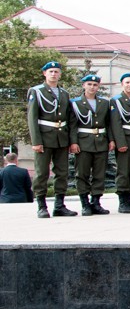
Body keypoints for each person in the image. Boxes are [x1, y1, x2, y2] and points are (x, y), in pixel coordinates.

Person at [27, 62, 77, 218]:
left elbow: (70, 118)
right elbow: (32, 118)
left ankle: (59, 206)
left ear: (60, 74)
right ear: (44, 73)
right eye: (51, 71)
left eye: (56, 71)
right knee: (42, 172)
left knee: (62, 172)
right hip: (44, 137)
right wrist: (36, 141)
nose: (54, 74)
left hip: (61, 137)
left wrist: (71, 141)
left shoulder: (64, 93)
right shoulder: (36, 91)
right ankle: (41, 206)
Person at [68, 73, 113, 215]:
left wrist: (111, 140)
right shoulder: (75, 103)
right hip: (83, 142)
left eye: (95, 85)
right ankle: (85, 203)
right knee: (82, 173)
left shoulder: (104, 103)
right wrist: (73, 142)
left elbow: (108, 124)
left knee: (100, 174)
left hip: (101, 141)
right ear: (83, 85)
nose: (92, 87)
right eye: (89, 84)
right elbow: (72, 124)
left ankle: (96, 202)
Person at [109, 72, 130, 213]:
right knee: (123, 171)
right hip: (124, 139)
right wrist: (120, 142)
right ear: (122, 84)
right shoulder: (116, 101)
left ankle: (129, 199)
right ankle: (122, 202)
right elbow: (115, 123)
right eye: (127, 82)